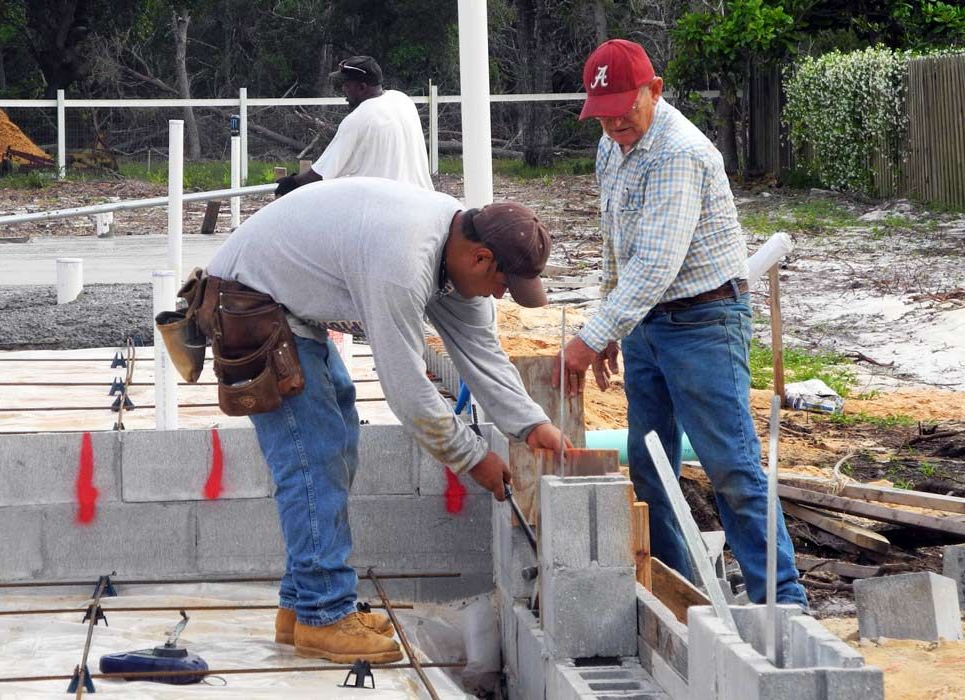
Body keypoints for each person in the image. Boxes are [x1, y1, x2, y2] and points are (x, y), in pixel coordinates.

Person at [206, 177, 569, 663]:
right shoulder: (404, 264)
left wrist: (531, 425)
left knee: (338, 445)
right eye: (503, 284)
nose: (501, 296)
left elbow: (481, 352)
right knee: (313, 459)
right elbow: (407, 390)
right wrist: (472, 459)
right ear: (480, 259)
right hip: (250, 302)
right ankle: (324, 614)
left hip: (287, 305)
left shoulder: (454, 244)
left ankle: (302, 607)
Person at [556, 39, 806, 607]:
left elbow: (656, 263)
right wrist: (614, 322)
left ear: (655, 90)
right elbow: (617, 246)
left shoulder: (678, 152)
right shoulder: (611, 147)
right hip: (648, 322)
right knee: (649, 464)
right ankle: (681, 594)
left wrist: (590, 335)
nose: (615, 124)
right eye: (604, 115)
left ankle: (784, 603)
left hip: (703, 320)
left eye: (625, 109)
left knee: (731, 468)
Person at [275, 55, 433, 196]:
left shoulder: (357, 119)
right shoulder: (402, 100)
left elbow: (320, 175)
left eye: (346, 84)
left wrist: (292, 182)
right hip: (422, 199)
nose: (343, 89)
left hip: (385, 210)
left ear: (362, 87)